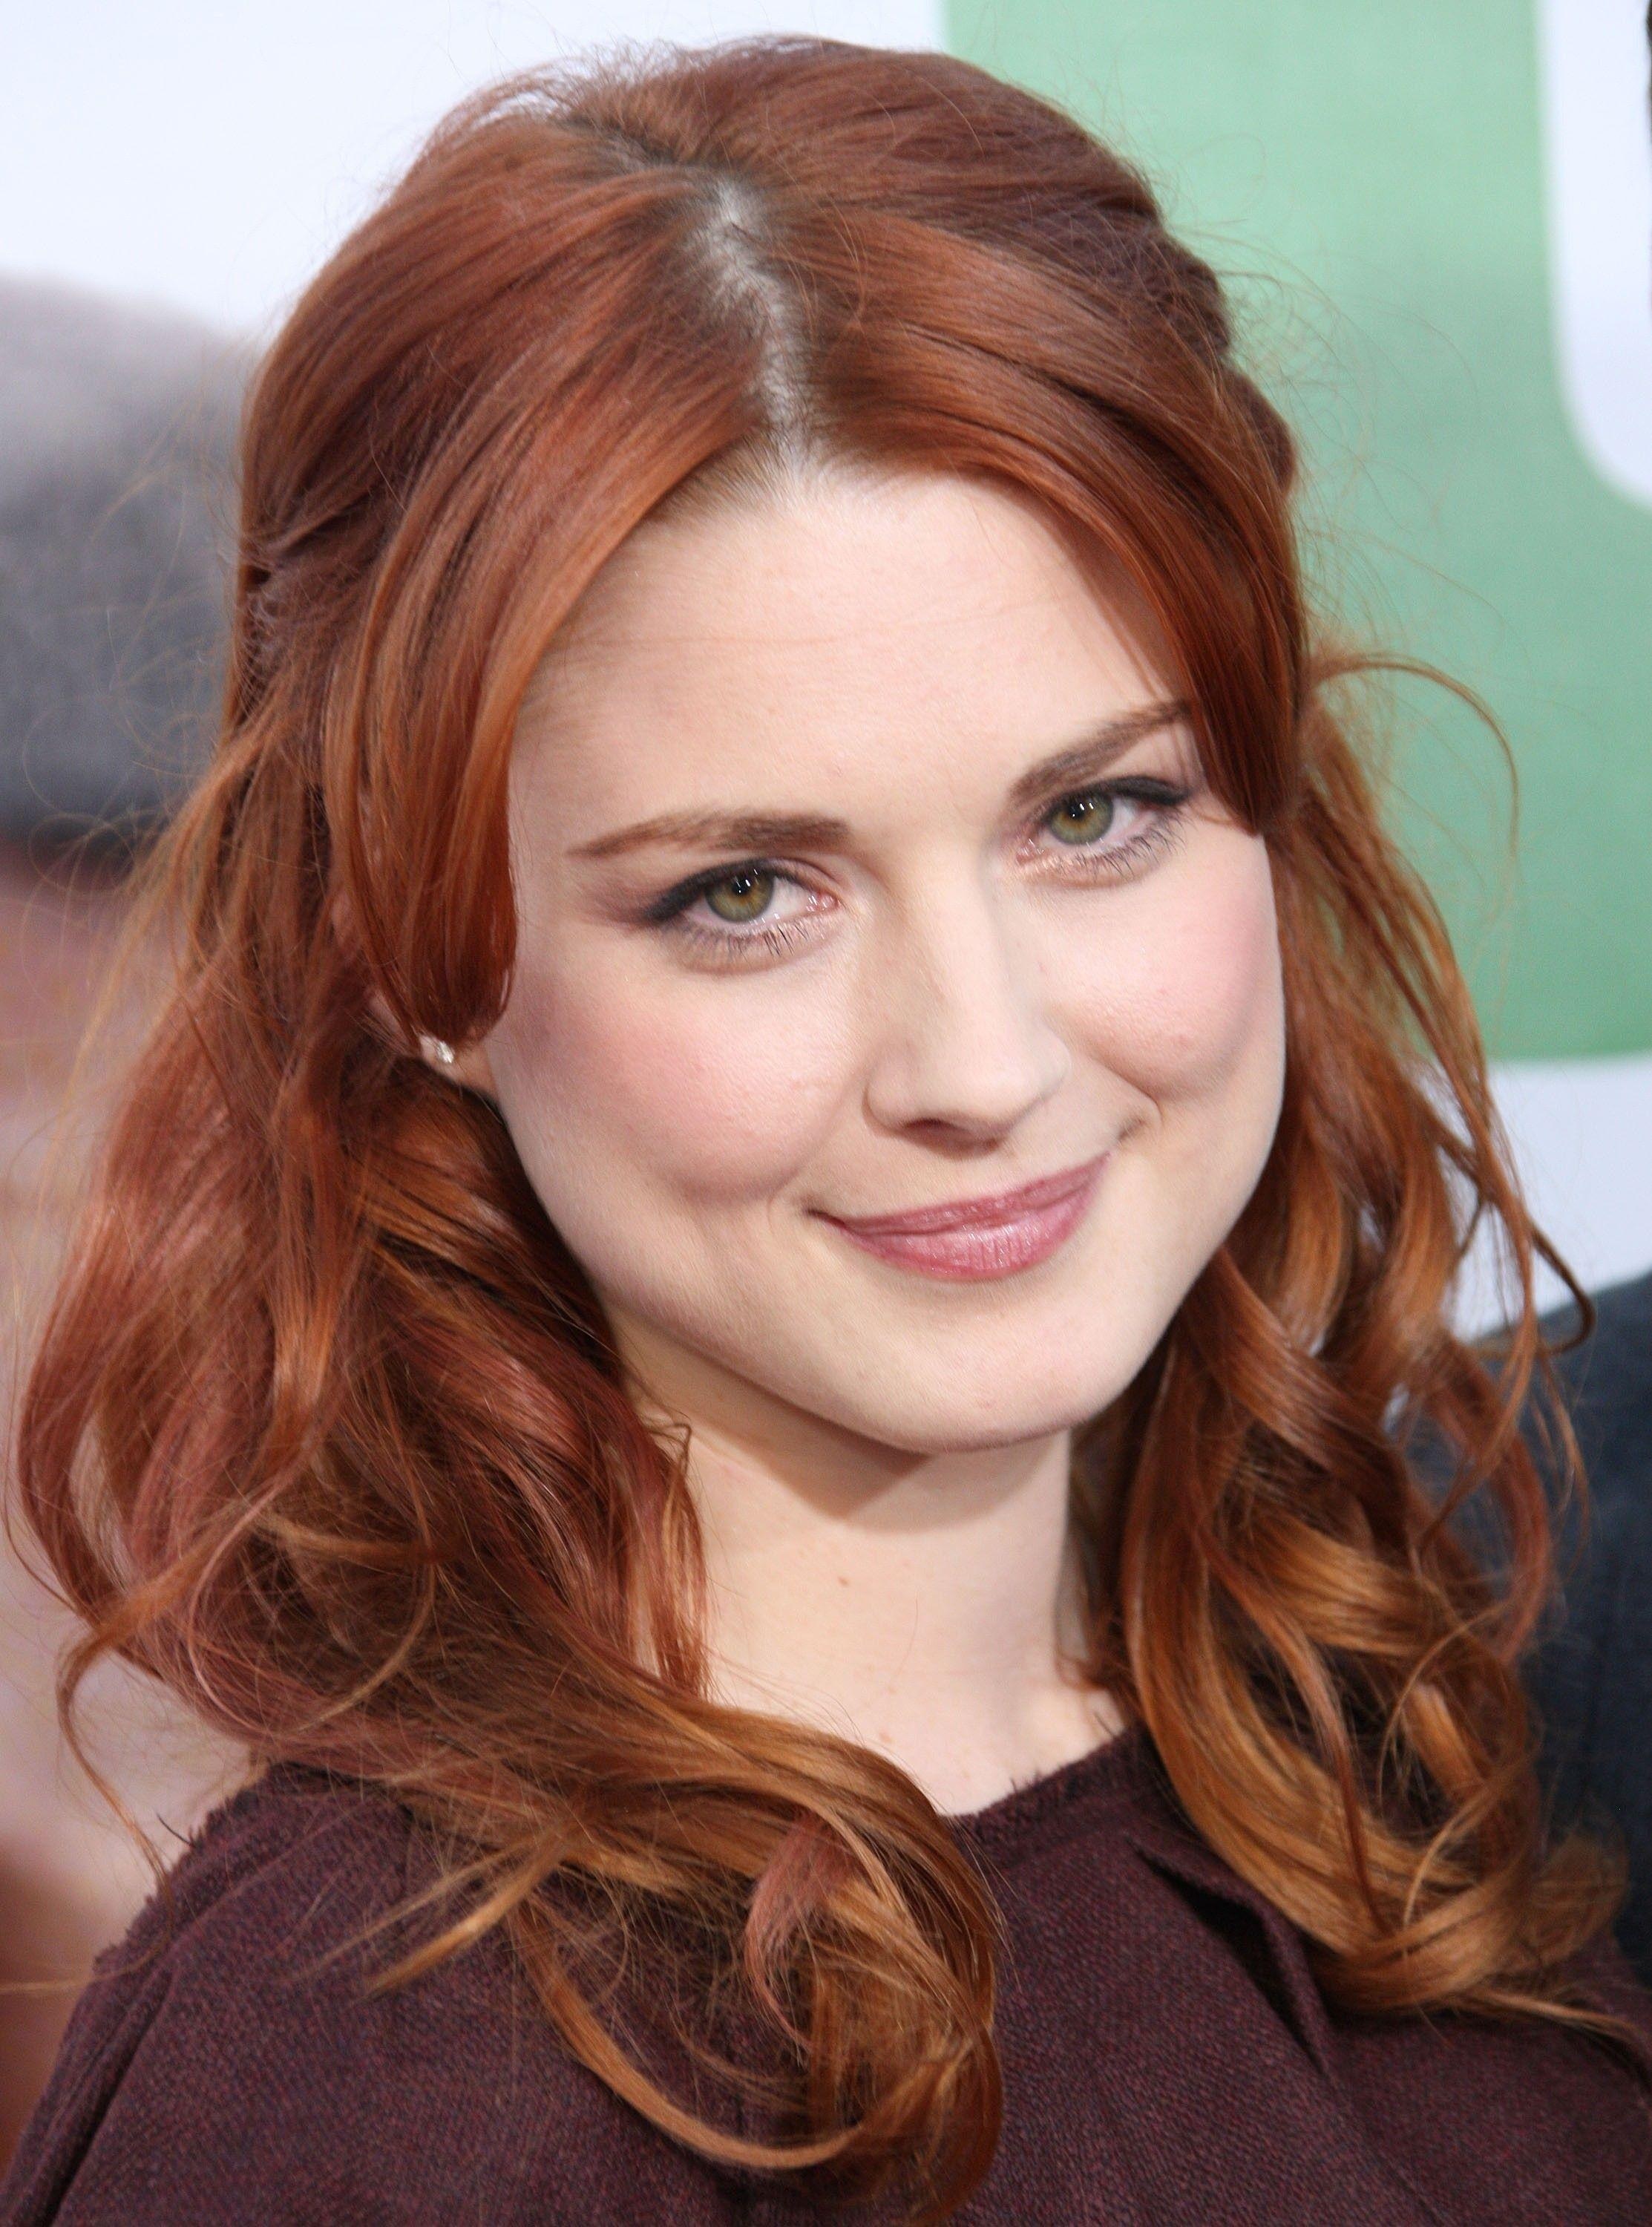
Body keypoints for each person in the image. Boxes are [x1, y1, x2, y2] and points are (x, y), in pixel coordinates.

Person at [3, 36, 1650, 2227]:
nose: (979, 1060)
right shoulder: (369, 2086)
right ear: (409, 954)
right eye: (744, 894)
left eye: (1096, 814)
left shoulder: (1412, 1764)